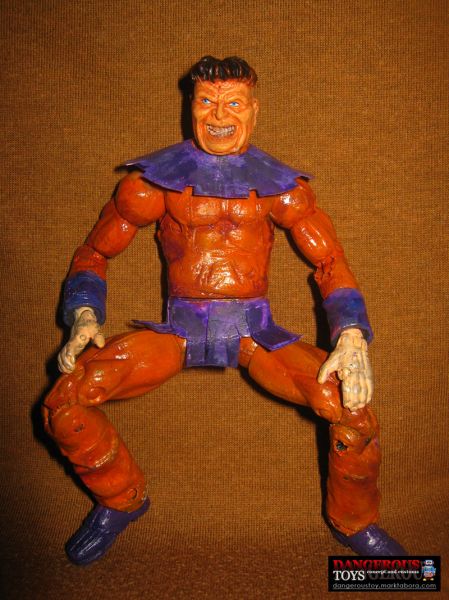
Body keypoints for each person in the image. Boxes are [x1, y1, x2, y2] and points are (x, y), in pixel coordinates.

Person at [43, 56, 405, 565]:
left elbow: (329, 261)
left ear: (254, 110)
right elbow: (95, 253)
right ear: (190, 107)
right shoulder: (154, 183)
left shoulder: (281, 187)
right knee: (65, 402)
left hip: (255, 332)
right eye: (207, 102)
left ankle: (355, 522)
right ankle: (121, 499)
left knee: (353, 412)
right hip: (180, 330)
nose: (219, 115)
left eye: (233, 102)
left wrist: (351, 333)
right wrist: (84, 312)